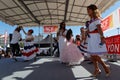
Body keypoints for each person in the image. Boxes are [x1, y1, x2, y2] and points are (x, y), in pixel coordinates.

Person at [87, 4, 110, 77]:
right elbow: (91, 29)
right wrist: (87, 31)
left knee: (95, 55)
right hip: (91, 38)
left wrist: (102, 37)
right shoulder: (91, 20)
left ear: (93, 10)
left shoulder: (96, 18)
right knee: (92, 56)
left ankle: (105, 67)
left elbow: (99, 28)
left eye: (89, 10)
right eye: (87, 10)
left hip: (95, 38)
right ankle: (97, 69)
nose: (87, 11)